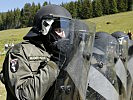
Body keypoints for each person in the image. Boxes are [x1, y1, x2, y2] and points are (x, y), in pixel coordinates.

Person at [0, 5, 95, 100]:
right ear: (45, 28)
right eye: (58, 30)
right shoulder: (20, 52)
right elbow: (24, 95)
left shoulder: (62, 51)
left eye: (65, 31)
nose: (63, 35)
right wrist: (55, 64)